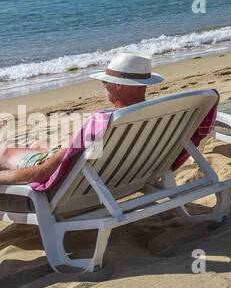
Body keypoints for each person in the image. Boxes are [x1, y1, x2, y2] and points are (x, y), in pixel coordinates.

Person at [0, 52, 164, 187]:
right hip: (126, 174)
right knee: (40, 144)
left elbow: (42, 173)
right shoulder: (161, 115)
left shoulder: (103, 121)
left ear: (119, 85)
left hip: (83, 182)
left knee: (4, 152)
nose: (103, 84)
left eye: (106, 80)